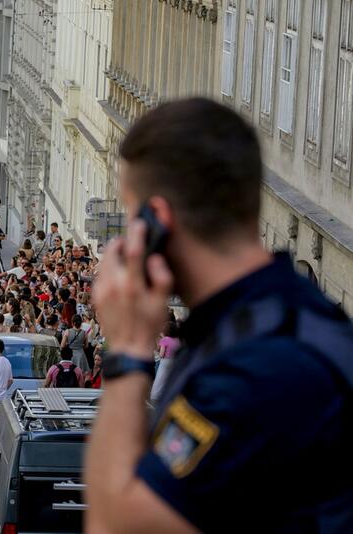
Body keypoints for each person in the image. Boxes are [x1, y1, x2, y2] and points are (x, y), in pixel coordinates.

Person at [85, 98, 353, 533]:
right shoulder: (286, 317)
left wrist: (127, 351)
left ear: (158, 222)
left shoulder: (253, 367)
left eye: (133, 216)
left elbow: (113, 526)